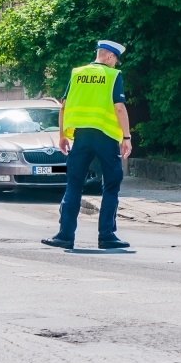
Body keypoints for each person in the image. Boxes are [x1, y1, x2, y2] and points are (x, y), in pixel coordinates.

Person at [42, 40, 133, 250]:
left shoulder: (77, 73)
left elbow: (64, 105)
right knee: (111, 184)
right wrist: (126, 138)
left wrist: (62, 135)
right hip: (106, 138)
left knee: (74, 185)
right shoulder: (113, 75)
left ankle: (65, 236)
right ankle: (107, 236)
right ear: (109, 56)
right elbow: (119, 108)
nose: (116, 63)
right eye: (115, 59)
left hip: (81, 137)